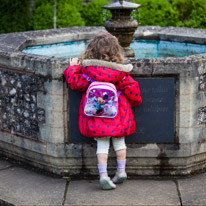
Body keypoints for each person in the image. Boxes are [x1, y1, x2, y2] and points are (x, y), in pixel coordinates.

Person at [64, 31, 142, 190]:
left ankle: (103, 175)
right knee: (120, 142)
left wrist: (72, 68)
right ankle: (121, 171)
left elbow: (75, 82)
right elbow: (133, 90)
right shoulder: (121, 73)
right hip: (118, 114)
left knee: (102, 145)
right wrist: (136, 102)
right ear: (116, 52)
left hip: (97, 116)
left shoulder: (87, 72)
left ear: (91, 51)